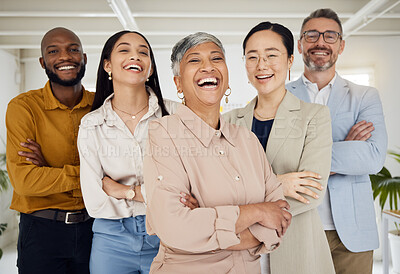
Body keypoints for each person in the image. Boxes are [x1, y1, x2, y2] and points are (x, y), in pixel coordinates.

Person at [143, 32, 292, 273]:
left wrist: (205, 228)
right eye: (194, 60)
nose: (208, 67)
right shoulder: (163, 134)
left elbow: (280, 218)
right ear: (178, 83)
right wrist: (258, 212)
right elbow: (175, 228)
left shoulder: (248, 140)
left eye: (216, 59)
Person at [216, 21, 334, 274]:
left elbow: (311, 192)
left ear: (290, 60)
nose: (262, 65)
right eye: (253, 57)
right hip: (240, 254)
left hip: (297, 249)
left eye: (271, 55)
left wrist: (245, 207)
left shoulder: (314, 116)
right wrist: (280, 183)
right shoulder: (227, 121)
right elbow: (218, 191)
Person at [287, 8, 388, 274]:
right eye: (312, 35)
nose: (320, 42)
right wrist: (348, 146)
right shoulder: (281, 96)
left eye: (330, 36)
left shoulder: (365, 96)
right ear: (300, 44)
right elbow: (275, 159)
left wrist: (307, 156)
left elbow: (374, 157)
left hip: (353, 234)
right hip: (297, 227)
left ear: (341, 45)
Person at [77, 30, 177, 274]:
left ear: (150, 68)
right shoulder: (92, 125)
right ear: (107, 65)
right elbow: (95, 203)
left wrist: (124, 191)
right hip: (112, 240)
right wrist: (154, 197)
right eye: (125, 50)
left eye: (143, 52)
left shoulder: (175, 116)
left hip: (170, 234)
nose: (135, 56)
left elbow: (183, 191)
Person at [6, 27, 94, 274]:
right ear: (44, 62)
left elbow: (125, 168)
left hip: (95, 228)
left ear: (84, 58)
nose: (65, 56)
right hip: (42, 231)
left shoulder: (101, 107)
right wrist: (93, 175)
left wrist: (49, 171)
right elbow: (25, 182)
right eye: (54, 51)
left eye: (73, 49)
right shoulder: (24, 108)